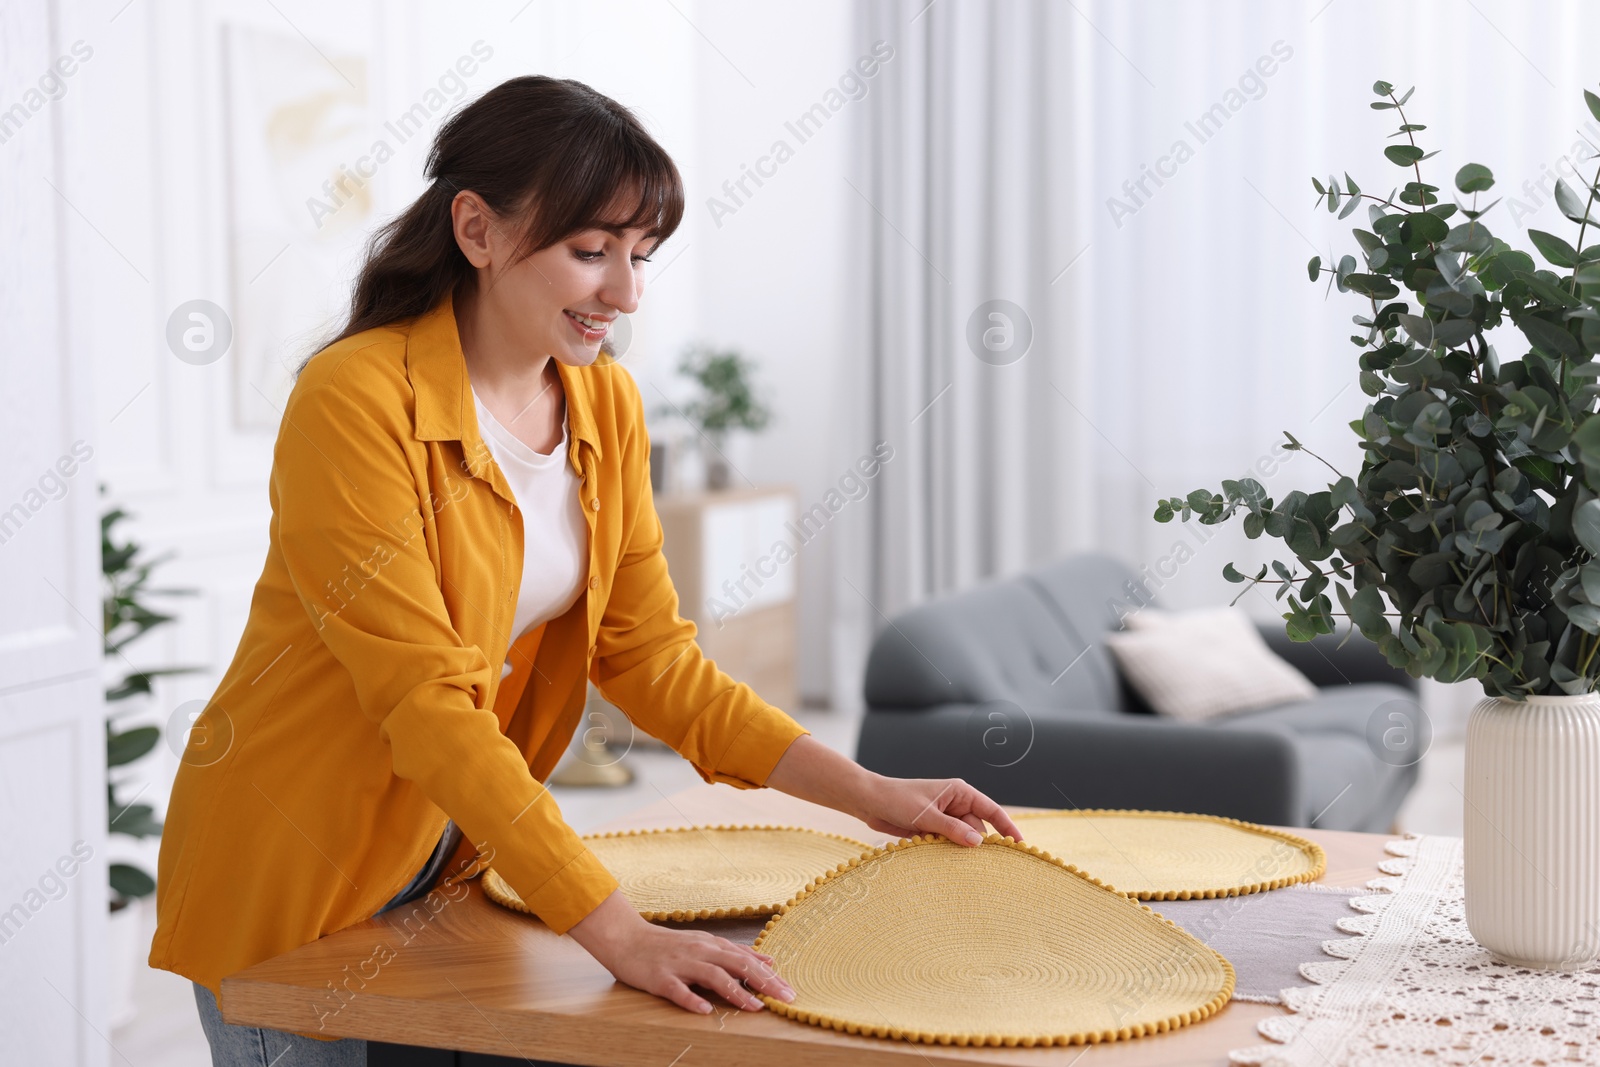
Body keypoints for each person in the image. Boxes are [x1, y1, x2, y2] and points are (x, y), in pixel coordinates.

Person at [150, 74, 1023, 1067]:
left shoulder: (604, 406)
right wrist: (614, 928)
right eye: (590, 249)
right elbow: (424, 697)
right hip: (291, 865)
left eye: (641, 254)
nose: (625, 291)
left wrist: (867, 791)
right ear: (475, 230)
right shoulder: (353, 400)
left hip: (449, 848)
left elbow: (652, 658)